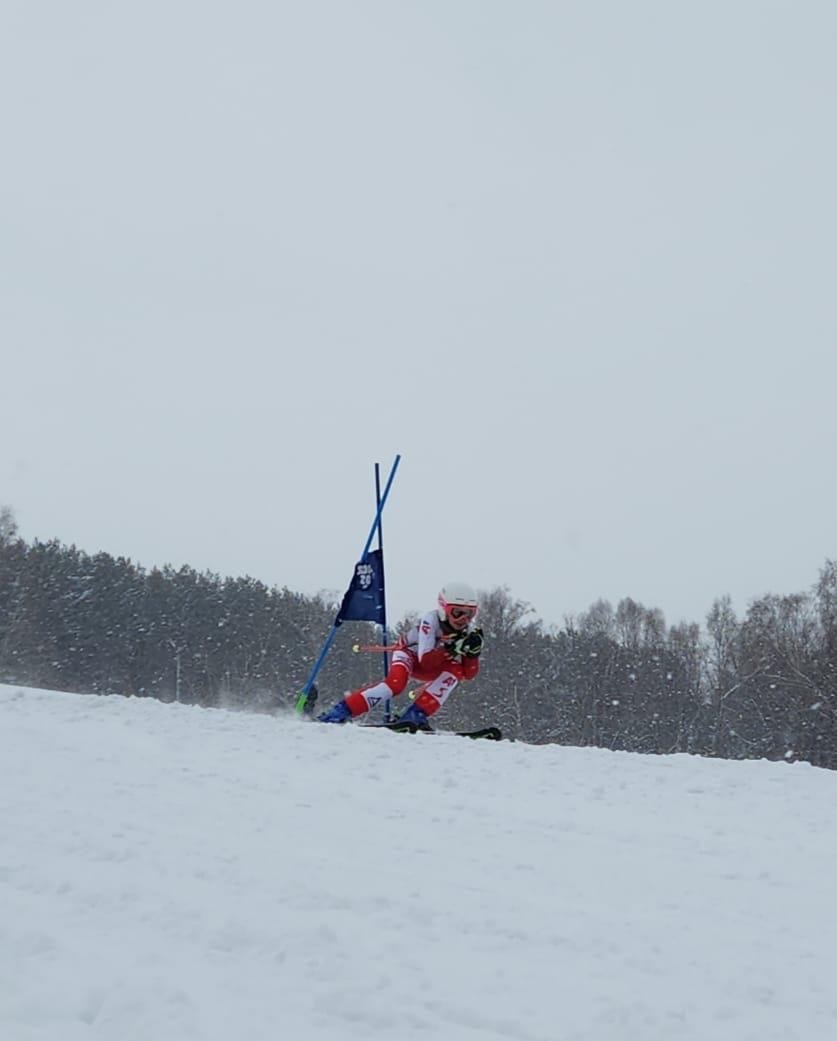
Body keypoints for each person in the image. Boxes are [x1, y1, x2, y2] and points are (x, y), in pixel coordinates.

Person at [317, 581, 484, 728]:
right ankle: (341, 711)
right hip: (408, 655)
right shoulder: (431, 620)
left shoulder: (469, 631)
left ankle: (416, 715)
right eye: (457, 612)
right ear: (443, 609)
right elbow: (425, 660)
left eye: (469, 613)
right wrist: (452, 649)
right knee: (395, 685)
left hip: (434, 664)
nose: (463, 619)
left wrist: (473, 654)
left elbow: (468, 674)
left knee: (457, 671)